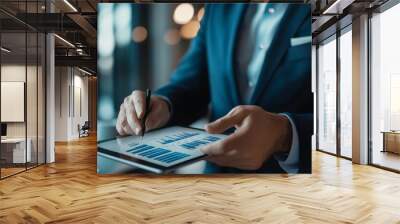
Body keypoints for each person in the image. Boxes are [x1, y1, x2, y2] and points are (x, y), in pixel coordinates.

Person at [116, 3, 312, 173]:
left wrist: (284, 134)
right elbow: (191, 83)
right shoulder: (217, 8)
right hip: (216, 179)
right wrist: (162, 103)